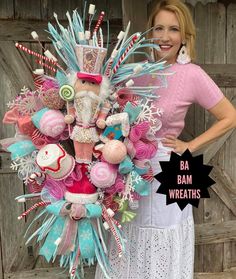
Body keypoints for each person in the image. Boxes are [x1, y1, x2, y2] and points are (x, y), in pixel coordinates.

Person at [95, 0, 236, 278]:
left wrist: (190, 146)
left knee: (167, 236)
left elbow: (230, 116)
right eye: (158, 28)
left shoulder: (192, 74)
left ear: (184, 36)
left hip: (174, 168)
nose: (165, 36)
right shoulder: (135, 73)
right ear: (150, 33)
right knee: (129, 233)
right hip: (132, 170)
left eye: (173, 29)